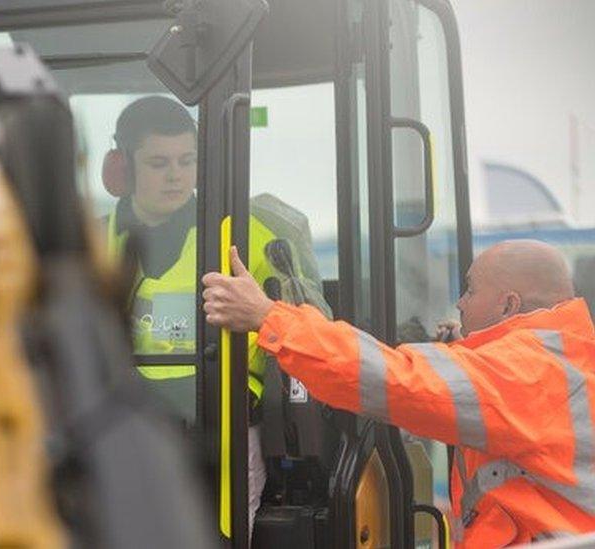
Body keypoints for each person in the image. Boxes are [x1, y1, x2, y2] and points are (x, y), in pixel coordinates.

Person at [202, 239, 595, 546]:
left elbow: (395, 381)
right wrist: (465, 352)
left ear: (509, 304)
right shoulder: (563, 357)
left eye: (470, 290)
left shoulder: (526, 372)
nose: (460, 302)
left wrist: (269, 318)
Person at [102, 95, 324, 529]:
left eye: (186, 160)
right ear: (123, 168)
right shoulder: (89, 247)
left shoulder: (247, 238)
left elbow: (300, 329)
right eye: (159, 163)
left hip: (222, 429)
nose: (175, 175)